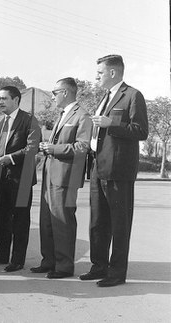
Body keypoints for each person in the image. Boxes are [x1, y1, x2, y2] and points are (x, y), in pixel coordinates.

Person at [79, 55, 148, 287]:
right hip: (98, 168)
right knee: (98, 221)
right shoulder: (105, 97)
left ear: (112, 73)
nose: (96, 77)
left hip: (119, 171)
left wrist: (113, 124)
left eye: (99, 73)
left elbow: (140, 131)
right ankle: (99, 266)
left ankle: (117, 273)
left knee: (119, 223)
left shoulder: (132, 95)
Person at [30, 77, 92, 278]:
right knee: (47, 220)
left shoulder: (82, 116)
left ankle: (64, 266)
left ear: (65, 92)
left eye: (55, 92)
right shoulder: (63, 114)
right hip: (51, 174)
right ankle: (49, 261)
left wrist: (53, 148)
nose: (53, 96)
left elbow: (82, 147)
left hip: (66, 177)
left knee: (63, 222)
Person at [0, 86, 41, 272]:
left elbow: (32, 148)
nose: (0, 102)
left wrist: (11, 158)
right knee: (1, 217)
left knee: (20, 219)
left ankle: (17, 259)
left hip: (21, 178)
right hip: (1, 177)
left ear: (16, 100)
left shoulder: (29, 120)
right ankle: (1, 255)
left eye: (4, 99)